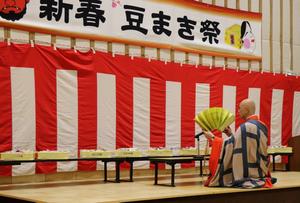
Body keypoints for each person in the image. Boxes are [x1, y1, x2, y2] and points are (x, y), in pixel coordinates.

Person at [203, 99, 276, 188]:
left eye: (240, 108)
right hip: (259, 167)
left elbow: (230, 145)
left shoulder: (245, 127)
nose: (238, 111)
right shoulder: (262, 125)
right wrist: (230, 134)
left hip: (249, 173)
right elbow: (243, 144)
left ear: (246, 110)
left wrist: (213, 138)